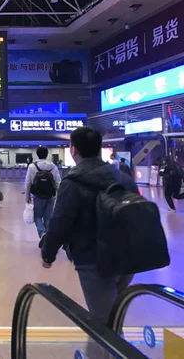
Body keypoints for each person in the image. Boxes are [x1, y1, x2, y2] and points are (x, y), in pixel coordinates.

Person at [40, 127, 139, 324]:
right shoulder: (123, 178)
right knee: (114, 317)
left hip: (93, 259)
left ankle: (111, 353)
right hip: (128, 256)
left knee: (103, 323)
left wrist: (48, 253)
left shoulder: (74, 182)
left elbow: (60, 221)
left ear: (73, 149)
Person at [25, 147, 61, 238]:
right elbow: (57, 182)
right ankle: (48, 238)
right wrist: (60, 195)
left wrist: (27, 195)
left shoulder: (32, 166)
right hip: (51, 196)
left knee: (37, 216)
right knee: (48, 218)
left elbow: (28, 182)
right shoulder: (53, 166)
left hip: (38, 195)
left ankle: (42, 233)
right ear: (47, 154)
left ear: (37, 154)